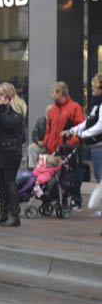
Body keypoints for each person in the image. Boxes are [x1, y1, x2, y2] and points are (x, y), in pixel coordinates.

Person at [0, 82, 27, 227]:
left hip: (11, 151)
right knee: (0, 183)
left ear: (9, 95)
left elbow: (10, 125)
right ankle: (3, 213)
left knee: (10, 182)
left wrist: (2, 108)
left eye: (1, 94)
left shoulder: (17, 108)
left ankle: (14, 215)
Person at [43, 81, 85, 209]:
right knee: (56, 176)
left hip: (68, 149)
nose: (51, 95)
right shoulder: (53, 110)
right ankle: (61, 200)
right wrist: (46, 142)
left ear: (59, 93)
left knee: (72, 174)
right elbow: (48, 129)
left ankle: (76, 200)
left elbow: (80, 127)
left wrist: (71, 143)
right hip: (54, 149)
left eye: (52, 92)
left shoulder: (74, 107)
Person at [86, 74, 102, 181]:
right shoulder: (95, 104)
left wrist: (83, 134)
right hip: (95, 144)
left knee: (100, 177)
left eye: (94, 86)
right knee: (98, 176)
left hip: (99, 145)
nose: (92, 88)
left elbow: (99, 126)